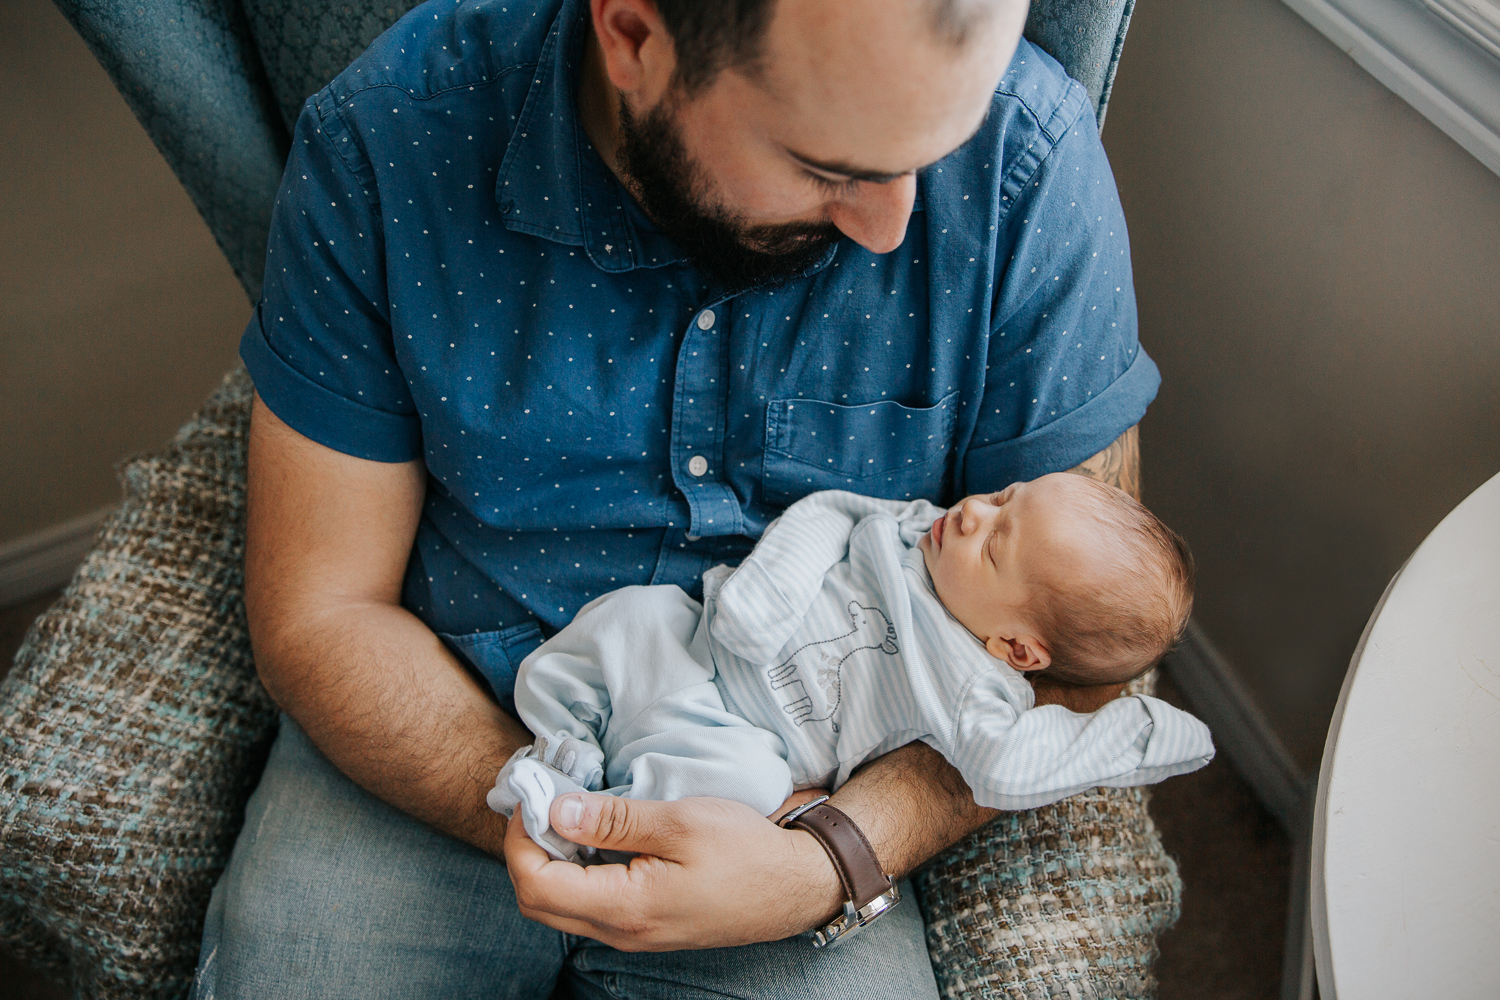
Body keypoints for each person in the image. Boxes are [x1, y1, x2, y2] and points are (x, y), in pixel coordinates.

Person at [195, 0, 1165, 994]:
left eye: (934, 150)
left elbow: (1077, 660)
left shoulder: (1026, 156)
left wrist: (829, 857)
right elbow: (321, 607)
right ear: (632, 37)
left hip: (795, 806)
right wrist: (554, 807)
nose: (892, 227)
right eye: (830, 168)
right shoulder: (390, 141)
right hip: (444, 722)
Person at [492, 478, 1214, 864]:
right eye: (1003, 498)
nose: (971, 514)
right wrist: (766, 595)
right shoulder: (917, 530)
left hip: (748, 737)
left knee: (746, 789)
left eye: (996, 544)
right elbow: (832, 513)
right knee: (629, 618)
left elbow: (1008, 768)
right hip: (695, 641)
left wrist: (1135, 734)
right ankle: (565, 744)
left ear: (1017, 648)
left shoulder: (977, 690)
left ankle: (580, 817)